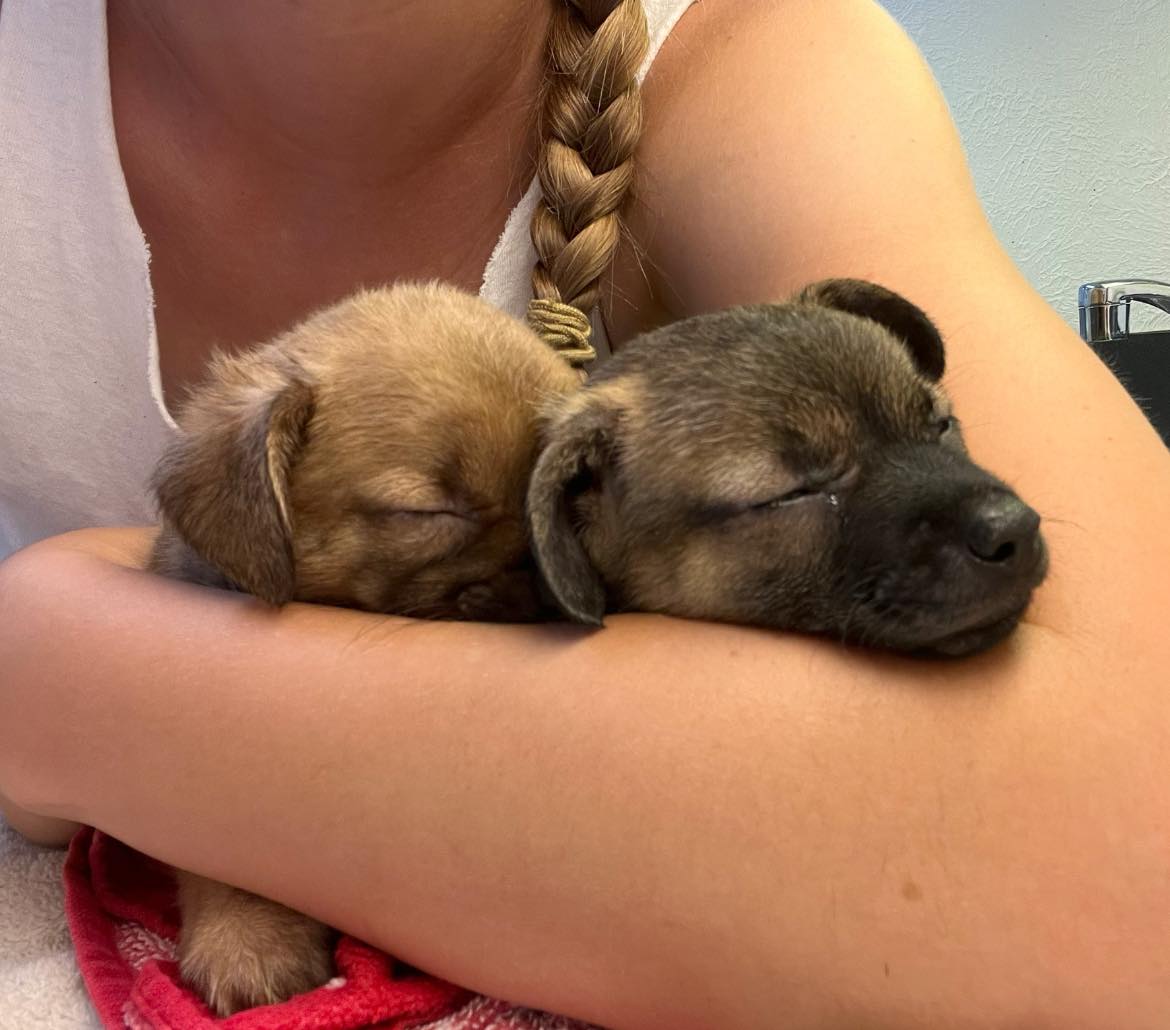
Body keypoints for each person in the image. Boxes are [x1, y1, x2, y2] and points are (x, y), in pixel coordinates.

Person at [1, 0, 1168, 1027]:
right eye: (437, 513)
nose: (541, 573)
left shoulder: (754, 63)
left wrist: (60, 649)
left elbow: (1122, 850)